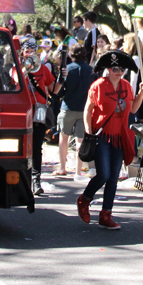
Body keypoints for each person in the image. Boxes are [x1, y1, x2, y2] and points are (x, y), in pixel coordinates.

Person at [76, 50, 143, 230]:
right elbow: (88, 109)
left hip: (120, 136)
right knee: (103, 174)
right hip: (101, 135)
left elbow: (133, 110)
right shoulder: (98, 85)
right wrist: (88, 131)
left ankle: (106, 214)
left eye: (122, 68)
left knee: (114, 178)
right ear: (108, 69)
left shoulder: (126, 86)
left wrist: (141, 93)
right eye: (115, 68)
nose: (119, 71)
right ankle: (84, 199)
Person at [20, 38, 59, 195]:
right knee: (23, 147)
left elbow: (54, 89)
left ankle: (36, 181)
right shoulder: (18, 68)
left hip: (39, 111)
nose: (29, 54)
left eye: (32, 51)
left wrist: (62, 77)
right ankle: (24, 180)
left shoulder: (43, 69)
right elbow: (14, 85)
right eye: (26, 51)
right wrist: (24, 71)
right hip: (23, 112)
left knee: (36, 146)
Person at [55, 44, 94, 179]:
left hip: (68, 107)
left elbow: (58, 91)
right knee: (80, 140)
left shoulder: (67, 69)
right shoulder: (91, 70)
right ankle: (78, 171)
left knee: (63, 137)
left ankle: (62, 167)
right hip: (84, 109)